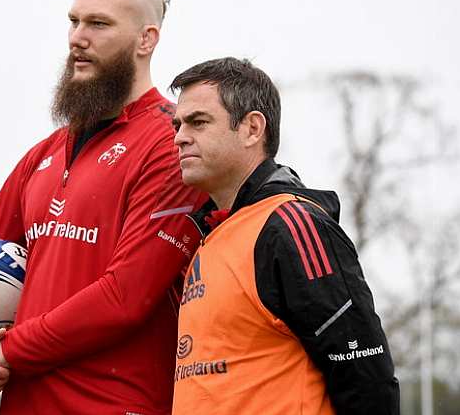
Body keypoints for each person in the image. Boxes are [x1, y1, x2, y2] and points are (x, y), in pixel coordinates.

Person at [0, 0, 208, 414]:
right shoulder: (47, 153)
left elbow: (123, 299)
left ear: (146, 39)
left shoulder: (174, 142)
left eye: (98, 24)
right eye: (73, 21)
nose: (77, 38)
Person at [169, 57, 400, 414]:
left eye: (198, 122)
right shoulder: (210, 234)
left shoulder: (291, 225)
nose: (180, 137)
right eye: (178, 124)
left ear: (251, 129)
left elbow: (367, 377)